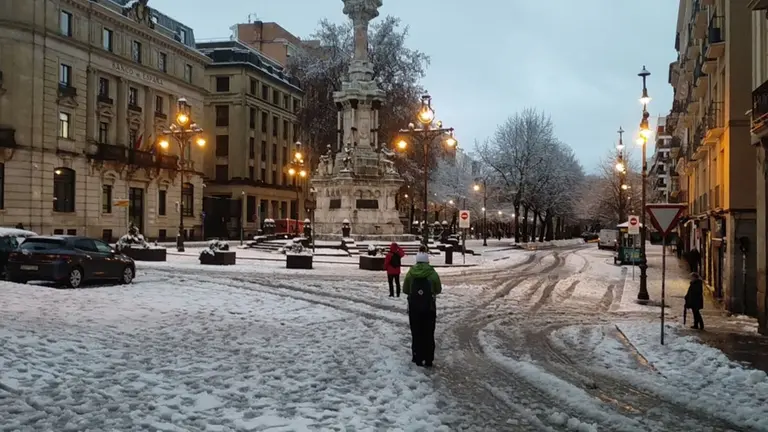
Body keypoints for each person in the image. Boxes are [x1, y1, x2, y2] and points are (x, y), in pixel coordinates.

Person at [403, 245, 442, 367]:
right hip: (429, 307)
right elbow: (438, 289)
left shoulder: (410, 273)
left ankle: (417, 357)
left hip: (414, 307)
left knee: (416, 332)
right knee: (429, 332)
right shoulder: (432, 273)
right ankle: (429, 358)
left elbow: (405, 290)